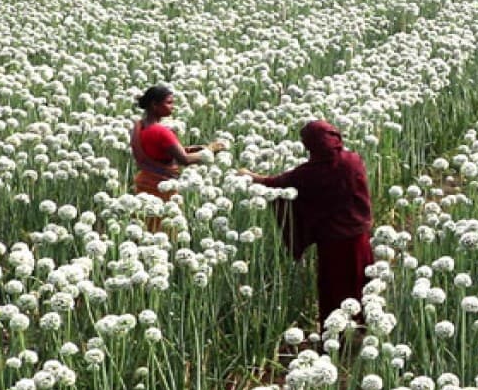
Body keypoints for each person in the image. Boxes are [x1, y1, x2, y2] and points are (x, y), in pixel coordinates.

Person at [239, 120, 374, 328]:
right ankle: (365, 325)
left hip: (332, 243)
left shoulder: (309, 172)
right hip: (359, 238)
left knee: (334, 288)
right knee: (361, 282)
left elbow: (276, 185)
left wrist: (250, 176)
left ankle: (335, 333)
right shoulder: (353, 160)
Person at [130, 85, 225, 232]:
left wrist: (194, 148)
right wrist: (210, 151)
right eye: (169, 103)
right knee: (166, 228)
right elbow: (184, 159)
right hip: (162, 186)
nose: (172, 107)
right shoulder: (161, 132)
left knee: (146, 227)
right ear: (154, 105)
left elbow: (160, 152)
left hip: (144, 183)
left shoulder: (139, 127)